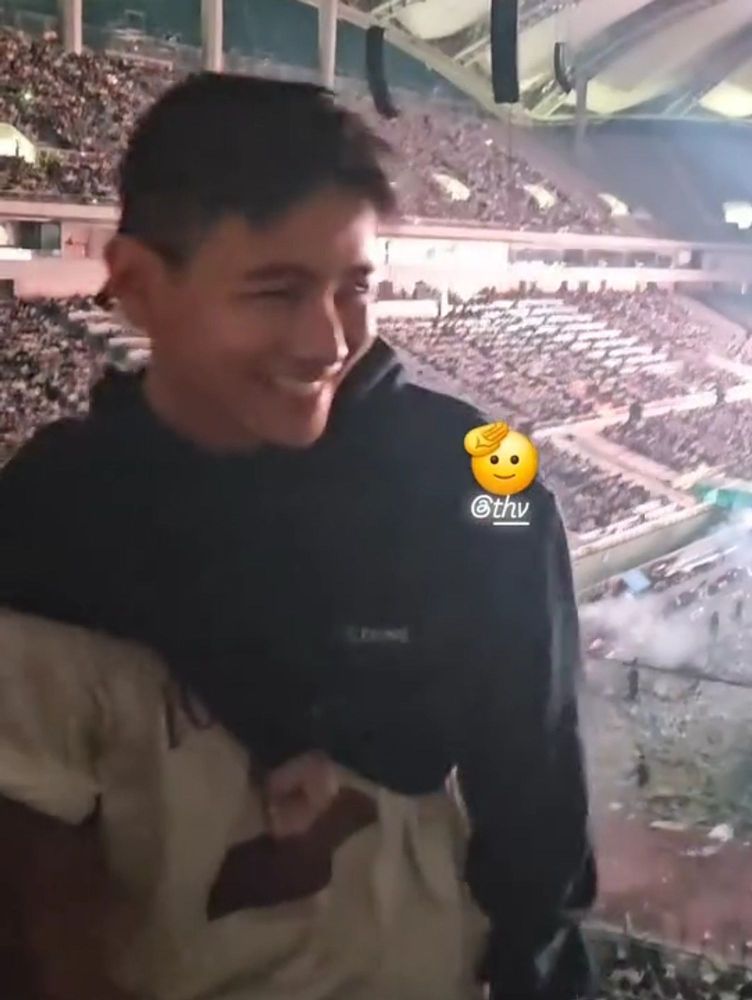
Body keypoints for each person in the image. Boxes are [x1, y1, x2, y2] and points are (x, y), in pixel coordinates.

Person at [0, 75, 595, 1000]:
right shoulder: (50, 513)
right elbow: (33, 894)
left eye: (354, 288)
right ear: (137, 285)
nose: (327, 342)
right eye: (275, 292)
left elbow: (536, 798)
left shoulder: (479, 482)